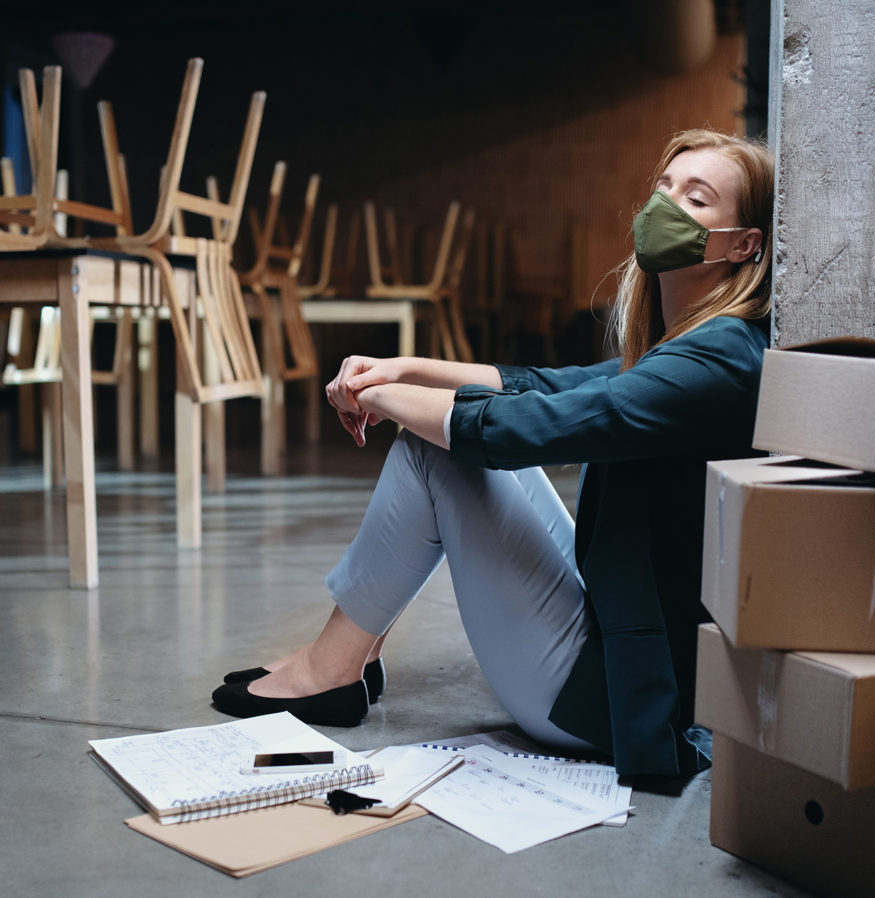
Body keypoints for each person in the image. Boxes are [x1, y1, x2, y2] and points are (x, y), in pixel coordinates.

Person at [212, 128, 774, 780]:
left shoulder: (721, 359)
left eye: (696, 199)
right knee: (444, 435)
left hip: (612, 702)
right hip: (620, 637)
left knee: (439, 451)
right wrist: (403, 368)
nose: (665, 208)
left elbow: (532, 423)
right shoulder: (696, 344)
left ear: (743, 244)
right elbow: (546, 382)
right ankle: (345, 656)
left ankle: (333, 668)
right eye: (663, 188)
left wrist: (390, 398)